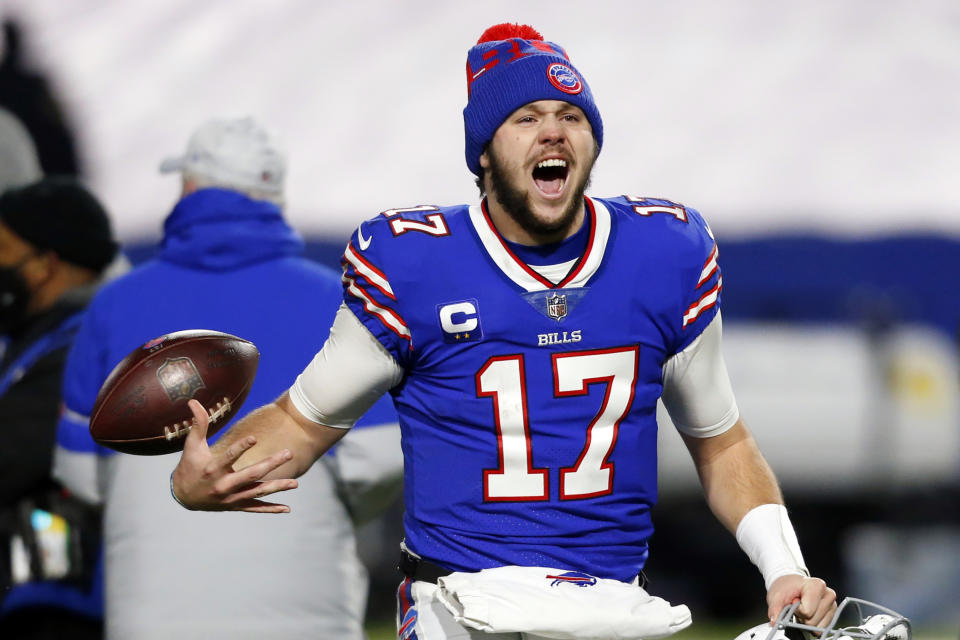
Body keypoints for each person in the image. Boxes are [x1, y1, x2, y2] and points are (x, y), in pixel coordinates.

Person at [171, 24, 839, 640]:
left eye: (570, 117)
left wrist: (784, 567)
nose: (553, 133)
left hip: (608, 608)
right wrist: (201, 479)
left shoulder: (664, 254)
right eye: (527, 119)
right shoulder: (415, 266)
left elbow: (722, 444)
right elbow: (303, 420)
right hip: (456, 608)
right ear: (484, 153)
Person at [52, 116, 403, 640]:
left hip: (151, 614)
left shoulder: (115, 303)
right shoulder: (339, 299)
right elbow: (382, 457)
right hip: (309, 610)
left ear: (189, 185)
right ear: (274, 193)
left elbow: (79, 475)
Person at [0, 177, 118, 638]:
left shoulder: (83, 346)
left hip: (57, 600)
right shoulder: (39, 337)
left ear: (46, 264)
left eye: (4, 249)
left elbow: (11, 455)